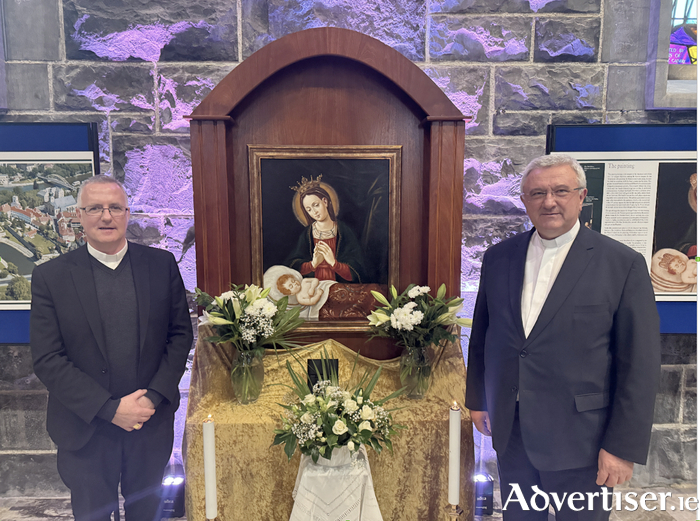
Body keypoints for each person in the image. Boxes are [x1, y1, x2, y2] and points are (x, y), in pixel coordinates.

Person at [466, 155, 660, 521]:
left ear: (582, 196)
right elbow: (483, 336)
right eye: (537, 193)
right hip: (514, 434)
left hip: (583, 441)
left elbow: (640, 364)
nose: (549, 201)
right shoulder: (498, 258)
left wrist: (621, 448)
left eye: (560, 191)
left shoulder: (621, 264)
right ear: (524, 200)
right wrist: (478, 398)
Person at [30, 175, 193, 521]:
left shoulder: (161, 266)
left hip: (148, 424)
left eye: (114, 207)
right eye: (95, 208)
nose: (106, 216)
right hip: (86, 428)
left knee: (145, 514)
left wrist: (151, 398)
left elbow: (180, 336)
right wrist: (109, 408)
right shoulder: (52, 277)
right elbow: (48, 358)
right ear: (79, 214)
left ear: (127, 213)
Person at [285, 176, 366, 283]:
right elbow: (293, 266)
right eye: (309, 209)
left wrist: (334, 263)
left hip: (339, 288)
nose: (314, 212)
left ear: (325, 201)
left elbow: (357, 269)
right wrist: (313, 264)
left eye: (316, 205)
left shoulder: (344, 231)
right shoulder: (307, 235)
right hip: (313, 288)